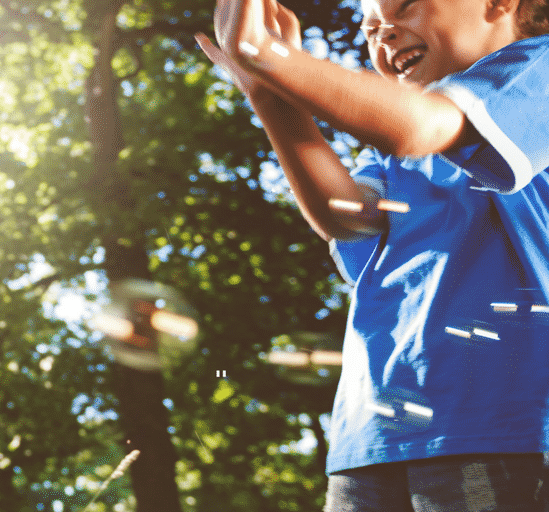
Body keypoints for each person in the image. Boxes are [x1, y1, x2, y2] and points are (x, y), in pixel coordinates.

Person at [197, 0, 549, 510]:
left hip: (504, 426)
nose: (383, 34)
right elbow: (344, 216)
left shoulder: (537, 73)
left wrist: (270, 55)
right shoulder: (393, 155)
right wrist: (270, 95)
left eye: (403, 7)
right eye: (371, 28)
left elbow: (418, 126)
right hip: (372, 439)